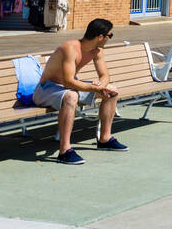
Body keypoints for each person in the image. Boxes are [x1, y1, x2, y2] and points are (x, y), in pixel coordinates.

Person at [33, 18, 123, 165]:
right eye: (110, 36)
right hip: (46, 89)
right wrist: (93, 88)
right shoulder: (69, 48)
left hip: (68, 87)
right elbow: (68, 81)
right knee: (71, 96)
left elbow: (105, 75)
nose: (110, 39)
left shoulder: (97, 51)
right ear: (100, 37)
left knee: (112, 91)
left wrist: (102, 85)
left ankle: (105, 139)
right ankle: (64, 151)